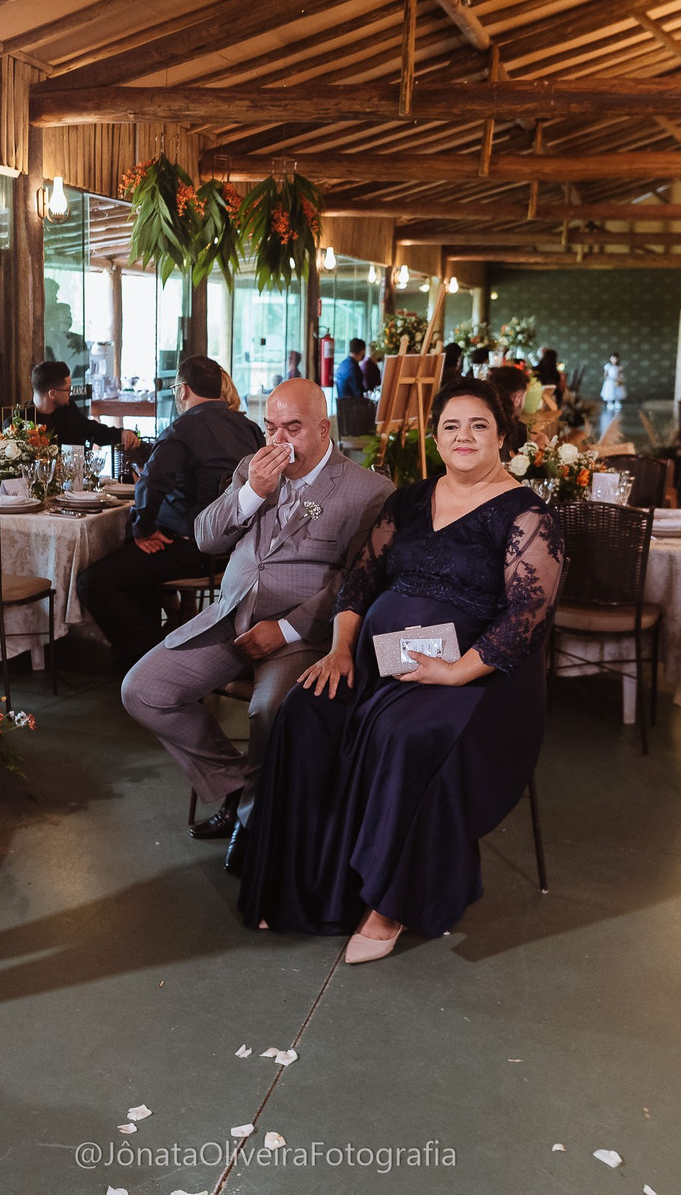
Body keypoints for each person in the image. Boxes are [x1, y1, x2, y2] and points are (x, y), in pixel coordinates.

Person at [237, 377, 562, 962]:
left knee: (403, 735)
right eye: (451, 426)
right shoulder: (409, 501)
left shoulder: (528, 515)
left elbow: (526, 617)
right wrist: (340, 649)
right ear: (435, 438)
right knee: (306, 709)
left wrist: (455, 673)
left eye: (479, 425)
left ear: (502, 436)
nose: (464, 437)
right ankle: (300, 884)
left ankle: (387, 905)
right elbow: (360, 581)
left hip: (480, 678)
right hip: (381, 659)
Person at [122, 379, 393, 867]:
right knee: (143, 690)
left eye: (293, 429)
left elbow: (355, 582)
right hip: (229, 615)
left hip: (300, 633)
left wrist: (286, 629)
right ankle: (238, 788)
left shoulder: (369, 491)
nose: (278, 441)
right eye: (270, 428)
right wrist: (251, 493)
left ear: (323, 429)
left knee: (268, 710)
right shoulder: (253, 468)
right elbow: (205, 539)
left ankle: (253, 824)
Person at [78, 355, 265, 670]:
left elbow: (151, 482)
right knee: (134, 565)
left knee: (93, 582)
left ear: (183, 390)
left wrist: (144, 529)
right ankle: (145, 652)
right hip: (235, 551)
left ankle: (156, 658)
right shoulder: (249, 428)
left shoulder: (183, 429)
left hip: (190, 549)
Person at [22, 359, 139, 450]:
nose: (71, 393)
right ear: (52, 394)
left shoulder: (68, 410)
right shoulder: (20, 422)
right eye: (68, 389)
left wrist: (121, 434)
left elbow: (93, 430)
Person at [334, 336, 375, 437]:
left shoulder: (343, 365)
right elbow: (359, 394)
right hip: (352, 412)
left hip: (343, 410)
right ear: (362, 351)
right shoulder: (354, 368)